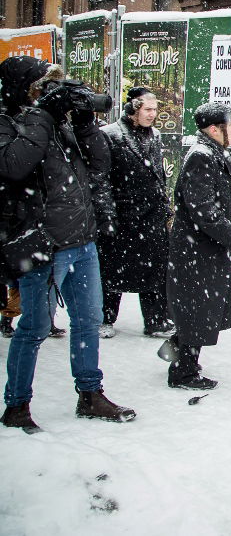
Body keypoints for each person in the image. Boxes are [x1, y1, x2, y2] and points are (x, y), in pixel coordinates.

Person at [0, 56, 135, 432]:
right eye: (41, 86)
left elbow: (100, 163)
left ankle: (90, 393)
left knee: (88, 321)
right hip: (43, 243)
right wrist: (43, 114)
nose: (49, 92)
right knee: (35, 328)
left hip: (82, 240)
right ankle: (17, 405)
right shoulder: (10, 122)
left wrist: (86, 124)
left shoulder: (59, 124)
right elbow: (14, 165)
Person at [161, 102, 231, 390]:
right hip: (195, 249)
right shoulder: (201, 156)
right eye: (230, 124)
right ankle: (183, 371)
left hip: (208, 247)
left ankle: (183, 355)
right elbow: (204, 209)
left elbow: (224, 203)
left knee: (204, 308)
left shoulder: (217, 154)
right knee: (198, 308)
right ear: (213, 129)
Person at [98, 86, 175, 339]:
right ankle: (105, 318)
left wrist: (164, 207)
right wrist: (107, 214)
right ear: (133, 108)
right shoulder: (110, 135)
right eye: (148, 109)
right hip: (122, 214)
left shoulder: (155, 135)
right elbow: (102, 179)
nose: (153, 114)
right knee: (112, 269)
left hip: (151, 214)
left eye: (155, 109)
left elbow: (158, 175)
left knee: (155, 269)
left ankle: (155, 320)